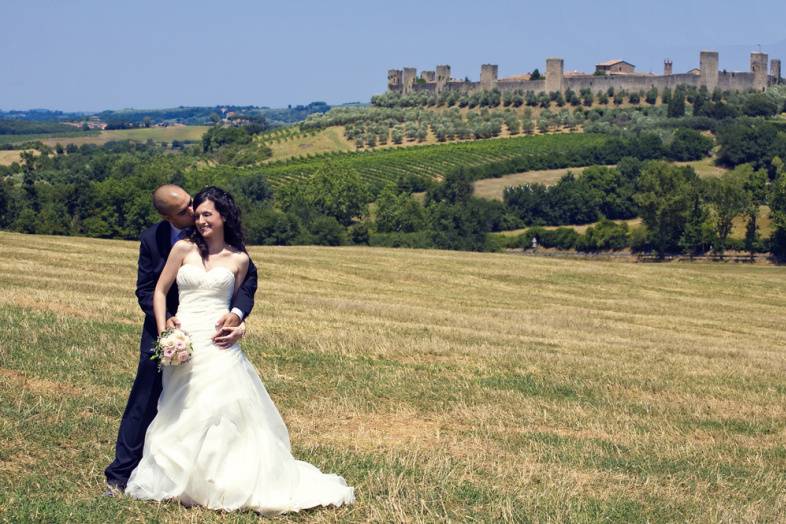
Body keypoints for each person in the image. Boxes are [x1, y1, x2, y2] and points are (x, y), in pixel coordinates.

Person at [124, 186, 354, 514]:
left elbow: (240, 297)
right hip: (184, 340)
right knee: (178, 408)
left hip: (219, 344)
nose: (199, 219)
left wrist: (240, 321)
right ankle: (173, 478)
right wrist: (165, 333)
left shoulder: (240, 258)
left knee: (222, 410)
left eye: (206, 214)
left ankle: (222, 482)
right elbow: (158, 292)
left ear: (223, 216)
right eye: (196, 213)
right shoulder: (182, 248)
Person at [105, 184, 258, 493]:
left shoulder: (228, 244)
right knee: (146, 394)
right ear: (167, 217)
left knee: (215, 401)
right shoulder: (154, 239)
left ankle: (211, 471)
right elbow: (148, 289)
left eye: (194, 205)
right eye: (185, 211)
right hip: (165, 326)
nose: (193, 212)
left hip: (210, 330)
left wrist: (239, 317)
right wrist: (167, 325)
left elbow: (247, 282)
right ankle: (121, 473)